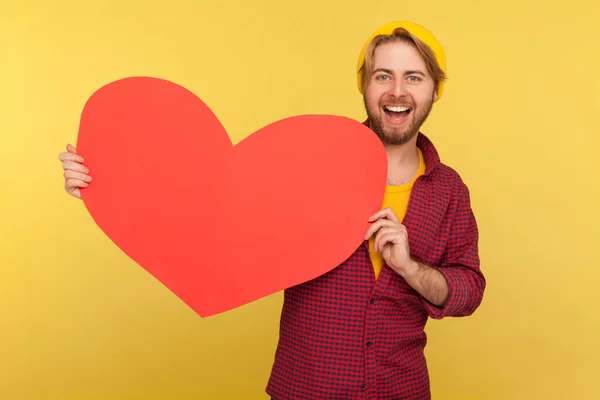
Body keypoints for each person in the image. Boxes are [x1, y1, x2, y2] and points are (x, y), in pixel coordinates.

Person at [58, 21, 486, 400]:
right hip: (305, 389)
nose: (397, 91)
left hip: (402, 390)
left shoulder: (449, 191)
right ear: (364, 85)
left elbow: (470, 290)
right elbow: (219, 219)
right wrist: (107, 185)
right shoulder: (308, 161)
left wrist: (410, 267)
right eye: (382, 76)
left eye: (414, 77)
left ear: (435, 89)